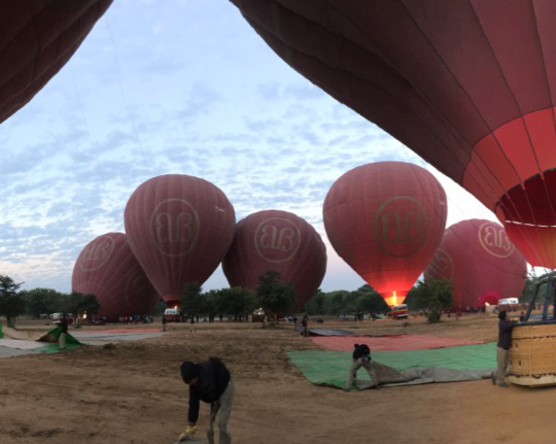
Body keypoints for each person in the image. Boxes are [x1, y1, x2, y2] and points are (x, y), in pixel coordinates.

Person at [179, 358, 234, 444]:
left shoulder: (207, 376)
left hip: (225, 387)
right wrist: (191, 424)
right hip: (214, 392)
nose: (190, 383)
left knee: (221, 424)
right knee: (210, 423)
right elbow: (193, 403)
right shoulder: (193, 383)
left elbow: (210, 399)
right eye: (187, 382)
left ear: (195, 375)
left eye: (190, 381)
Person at [492, 310, 515, 387]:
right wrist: (516, 322)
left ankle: (495, 375)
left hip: (507, 347)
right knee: (501, 365)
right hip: (501, 347)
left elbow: (511, 324)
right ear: (504, 316)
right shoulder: (502, 323)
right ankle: (501, 381)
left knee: (505, 365)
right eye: (507, 314)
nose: (509, 314)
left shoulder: (507, 322)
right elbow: (509, 326)